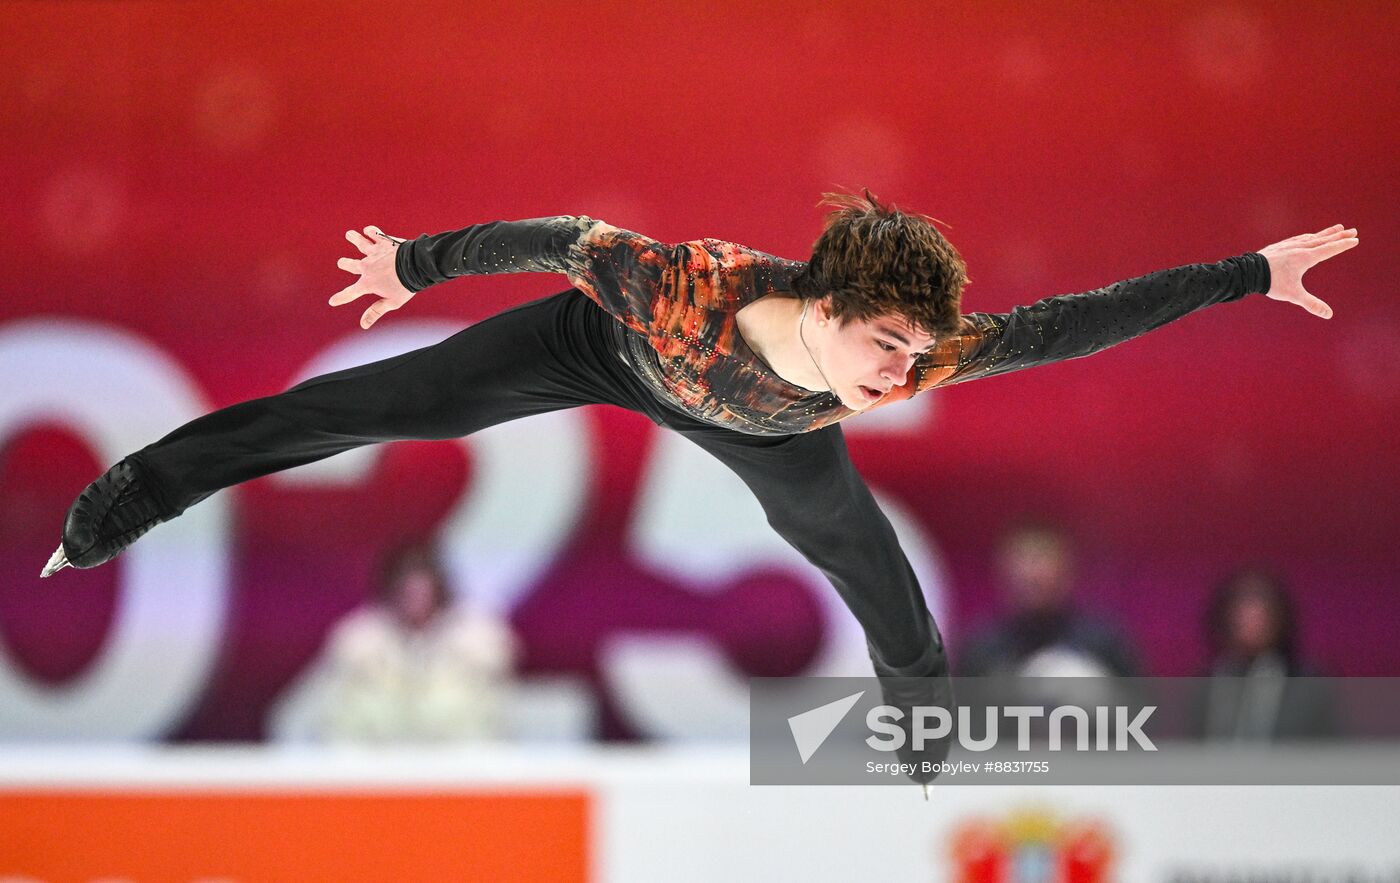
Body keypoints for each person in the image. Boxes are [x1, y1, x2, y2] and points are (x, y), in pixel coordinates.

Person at [39, 190, 1357, 786]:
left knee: (872, 570)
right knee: (370, 406)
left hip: (771, 430)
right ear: (824, 307)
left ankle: (923, 735)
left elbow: (1082, 320)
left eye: (916, 356)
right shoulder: (680, 289)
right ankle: (124, 504)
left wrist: (1247, 272)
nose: (903, 377)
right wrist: (417, 264)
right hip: (596, 352)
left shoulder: (908, 351)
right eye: (884, 349)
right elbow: (559, 239)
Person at [292, 541, 518, 744]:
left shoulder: (478, 634)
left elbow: (500, 698)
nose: (416, 601)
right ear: (391, 591)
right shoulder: (359, 636)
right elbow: (325, 708)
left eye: (423, 591)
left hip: (461, 755)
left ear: (439, 590)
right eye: (407, 593)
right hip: (377, 754)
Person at [958, 517, 1141, 679]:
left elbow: (1141, 703)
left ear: (1066, 569)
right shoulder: (982, 650)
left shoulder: (1103, 643)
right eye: (1023, 561)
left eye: (1042, 559)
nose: (1032, 574)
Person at [1192, 566, 1340, 741]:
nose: (1252, 616)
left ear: (1281, 616)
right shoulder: (1205, 684)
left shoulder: (1308, 684)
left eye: (1260, 604)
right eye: (1243, 605)